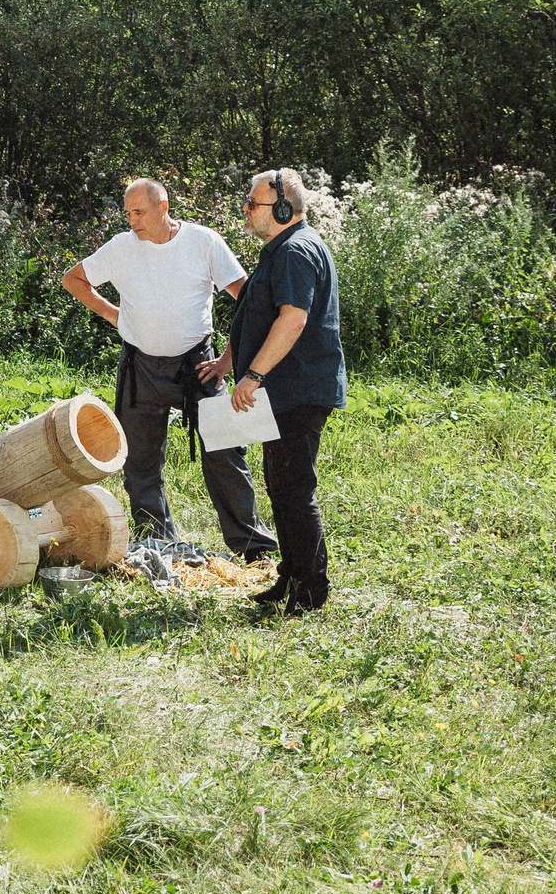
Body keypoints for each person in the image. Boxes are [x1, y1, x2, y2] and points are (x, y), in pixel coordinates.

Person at [62, 178, 275, 558]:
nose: (132, 221)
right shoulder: (121, 247)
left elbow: (250, 300)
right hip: (139, 366)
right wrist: (117, 317)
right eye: (127, 213)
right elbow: (73, 279)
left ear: (164, 206)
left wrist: (229, 359)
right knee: (140, 461)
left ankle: (252, 547)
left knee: (225, 452)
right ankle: (156, 545)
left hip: (199, 365)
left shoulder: (203, 241)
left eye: (139, 212)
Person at [227, 166, 348, 614]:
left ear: (281, 208)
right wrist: (230, 360)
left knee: (294, 488)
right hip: (285, 389)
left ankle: (311, 590)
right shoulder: (279, 251)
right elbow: (258, 315)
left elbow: (292, 320)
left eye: (252, 204)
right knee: (281, 486)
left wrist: (253, 375)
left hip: (298, 388)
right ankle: (291, 575)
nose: (246, 211)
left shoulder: (296, 251)